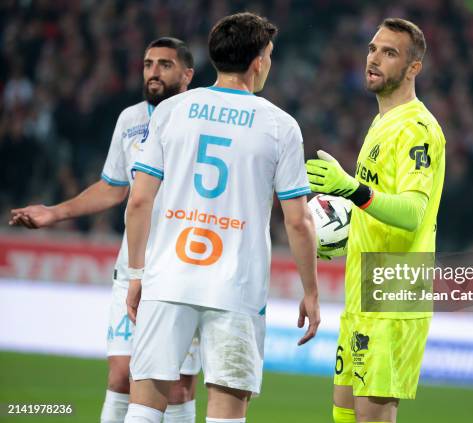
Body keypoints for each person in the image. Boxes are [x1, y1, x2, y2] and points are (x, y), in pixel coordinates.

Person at [123, 12, 320, 423]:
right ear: (258, 61)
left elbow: (139, 202)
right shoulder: (280, 126)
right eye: (268, 54)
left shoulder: (171, 111)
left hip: (169, 276)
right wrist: (311, 292)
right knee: (226, 412)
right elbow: (298, 222)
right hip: (236, 287)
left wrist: (137, 273)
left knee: (144, 405)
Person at [9, 37, 200, 423]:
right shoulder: (130, 120)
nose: (153, 72)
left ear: (187, 74)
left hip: (182, 267)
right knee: (120, 375)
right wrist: (54, 213)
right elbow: (114, 186)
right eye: (148, 64)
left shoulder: (200, 118)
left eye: (164, 64)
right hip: (131, 266)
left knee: (179, 385)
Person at [306, 18, 446, 423]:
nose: (374, 58)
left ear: (414, 67)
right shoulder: (382, 121)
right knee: (343, 411)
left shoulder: (417, 128)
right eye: (372, 49)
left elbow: (411, 212)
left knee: (372, 417)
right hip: (363, 285)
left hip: (395, 289)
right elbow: (378, 207)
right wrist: (345, 232)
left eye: (389, 53)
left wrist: (351, 189)